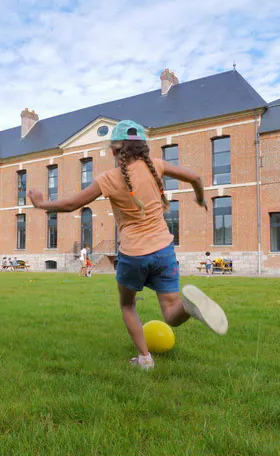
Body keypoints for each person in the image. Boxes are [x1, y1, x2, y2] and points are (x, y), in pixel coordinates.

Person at [28, 120, 228, 370]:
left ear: (115, 150)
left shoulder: (108, 179)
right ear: (143, 147)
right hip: (164, 250)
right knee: (171, 311)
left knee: (127, 304)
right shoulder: (157, 165)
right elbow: (196, 177)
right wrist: (200, 198)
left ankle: (145, 359)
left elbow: (71, 205)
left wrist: (41, 204)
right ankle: (188, 307)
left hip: (133, 253)